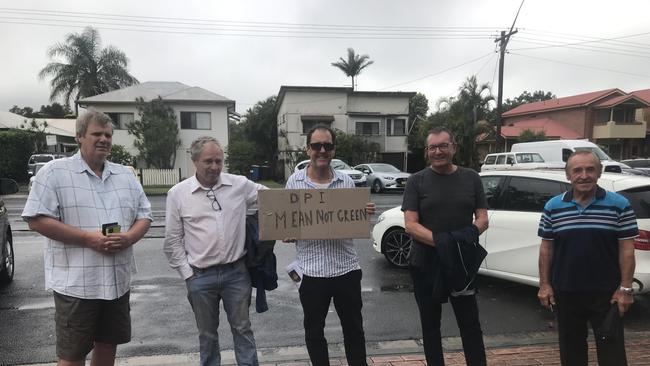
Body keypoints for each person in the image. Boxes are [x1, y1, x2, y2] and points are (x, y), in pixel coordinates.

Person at [21, 109, 152, 366]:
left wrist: (129, 238)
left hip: (116, 281)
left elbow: (145, 216)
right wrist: (88, 239)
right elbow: (36, 219)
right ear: (79, 137)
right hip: (77, 283)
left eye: (108, 134)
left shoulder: (125, 175)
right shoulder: (54, 172)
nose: (103, 139)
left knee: (107, 345)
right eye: (96, 134)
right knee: (72, 354)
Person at [163, 136, 266, 366]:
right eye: (208, 161)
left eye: (219, 161)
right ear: (195, 161)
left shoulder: (239, 185)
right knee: (207, 335)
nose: (214, 167)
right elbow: (172, 240)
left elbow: (276, 200)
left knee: (243, 329)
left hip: (236, 273)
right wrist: (188, 275)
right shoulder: (178, 194)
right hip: (199, 276)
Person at [284, 124, 375, 366]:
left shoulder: (346, 182)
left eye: (327, 146)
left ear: (333, 150)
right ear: (307, 149)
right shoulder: (294, 182)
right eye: (316, 146)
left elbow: (352, 219)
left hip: (345, 268)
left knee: (354, 330)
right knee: (314, 332)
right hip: (311, 272)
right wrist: (288, 231)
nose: (322, 150)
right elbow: (289, 221)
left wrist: (363, 212)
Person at [537, 150, 637, 366]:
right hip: (566, 291)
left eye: (590, 169)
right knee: (571, 352)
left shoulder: (619, 204)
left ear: (599, 172)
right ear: (568, 175)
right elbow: (546, 248)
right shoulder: (553, 207)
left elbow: (627, 250)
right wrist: (544, 285)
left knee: (612, 353)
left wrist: (626, 289)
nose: (584, 175)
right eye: (578, 170)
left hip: (607, 293)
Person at [402, 127, 489, 366]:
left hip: (462, 263)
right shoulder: (416, 181)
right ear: (427, 151)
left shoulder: (471, 178)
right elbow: (411, 225)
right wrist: (443, 242)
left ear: (454, 148)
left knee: (470, 323)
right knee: (430, 326)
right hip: (425, 263)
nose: (437, 151)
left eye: (443, 146)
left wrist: (465, 237)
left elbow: (483, 219)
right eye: (432, 147)